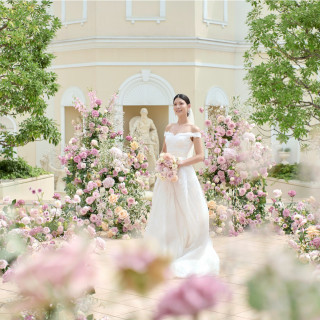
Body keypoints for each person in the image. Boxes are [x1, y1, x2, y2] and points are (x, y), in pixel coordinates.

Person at [144, 94, 220, 278]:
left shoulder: (193, 129)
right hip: (166, 177)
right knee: (166, 212)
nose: (178, 107)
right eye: (175, 104)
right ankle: (165, 250)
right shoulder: (169, 128)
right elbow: (164, 151)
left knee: (186, 211)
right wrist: (164, 163)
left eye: (181, 104)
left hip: (184, 175)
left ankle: (187, 247)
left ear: (188, 106)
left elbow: (200, 156)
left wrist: (179, 163)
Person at [129, 108, 159, 172]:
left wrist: (152, 135)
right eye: (142, 113)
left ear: (147, 113)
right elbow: (133, 128)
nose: (144, 114)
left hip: (148, 139)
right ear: (141, 113)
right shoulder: (138, 121)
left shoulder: (150, 121)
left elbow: (154, 129)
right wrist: (131, 136)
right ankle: (141, 171)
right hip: (140, 139)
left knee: (152, 154)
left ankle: (156, 169)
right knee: (141, 155)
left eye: (145, 113)